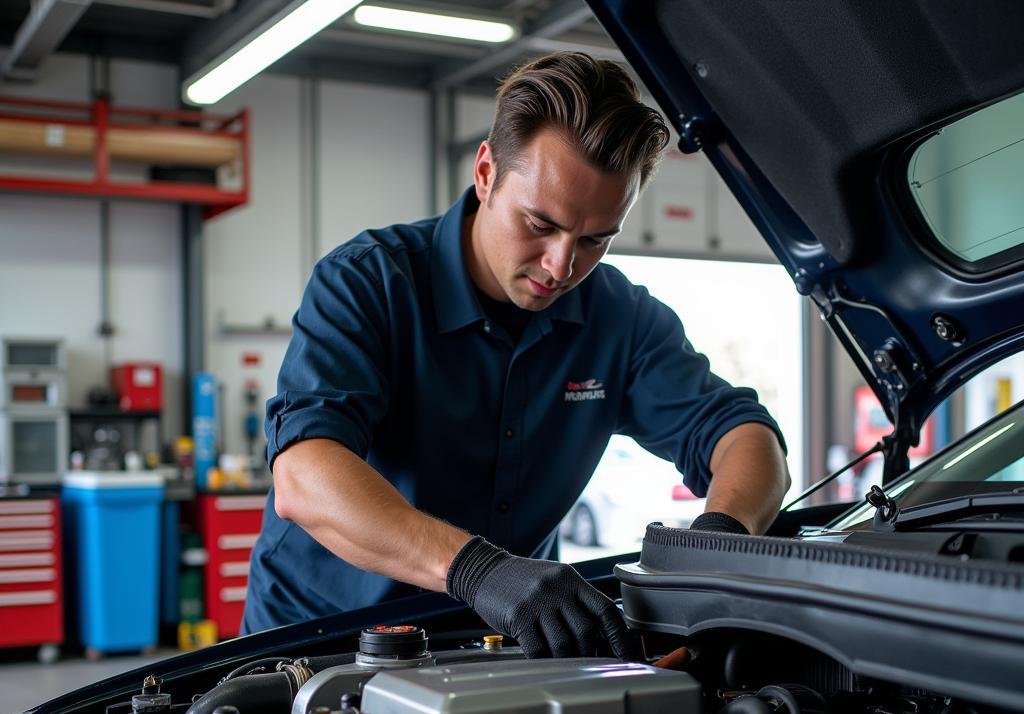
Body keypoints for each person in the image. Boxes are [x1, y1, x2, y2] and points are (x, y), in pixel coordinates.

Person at [241, 52, 790, 657]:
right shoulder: (369, 282)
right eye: (539, 223)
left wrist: (715, 548)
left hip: (499, 641)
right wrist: (479, 570)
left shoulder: (621, 319)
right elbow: (304, 474)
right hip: (318, 642)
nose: (561, 266)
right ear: (485, 173)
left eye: (593, 240)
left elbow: (742, 434)